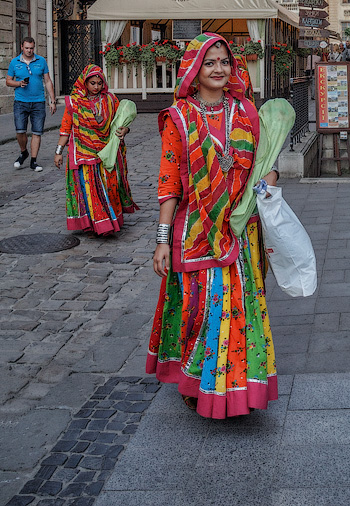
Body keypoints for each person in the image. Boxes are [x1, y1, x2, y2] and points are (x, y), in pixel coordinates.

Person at [147, 34, 280, 418]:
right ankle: (198, 383)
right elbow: (169, 181)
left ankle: (239, 388)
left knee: (239, 309)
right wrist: (161, 241)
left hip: (239, 231)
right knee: (200, 309)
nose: (219, 69)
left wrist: (265, 185)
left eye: (224, 62)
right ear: (194, 70)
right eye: (210, 63)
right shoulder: (180, 118)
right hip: (195, 231)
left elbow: (267, 164)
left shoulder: (245, 113)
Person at [54, 64, 137, 235]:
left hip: (106, 153)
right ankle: (100, 224)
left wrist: (125, 130)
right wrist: (58, 152)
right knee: (89, 190)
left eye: (99, 83)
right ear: (85, 82)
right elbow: (66, 128)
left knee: (108, 188)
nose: (96, 87)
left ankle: (109, 219)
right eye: (92, 83)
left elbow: (120, 123)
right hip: (84, 153)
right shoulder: (75, 103)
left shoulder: (110, 100)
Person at [6, 37, 57, 172]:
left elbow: (47, 81)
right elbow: (8, 81)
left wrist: (52, 101)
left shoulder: (41, 61)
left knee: (37, 132)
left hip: (38, 102)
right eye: (27, 48)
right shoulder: (14, 62)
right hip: (20, 102)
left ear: (34, 48)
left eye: (31, 48)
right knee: (20, 131)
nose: (29, 50)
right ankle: (24, 152)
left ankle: (33, 161)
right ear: (22, 47)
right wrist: (19, 83)